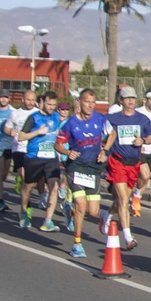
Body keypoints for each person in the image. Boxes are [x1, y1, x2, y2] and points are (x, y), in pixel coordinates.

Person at [55, 89, 110, 259]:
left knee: (93, 212)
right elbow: (57, 144)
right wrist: (67, 151)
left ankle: (69, 212)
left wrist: (105, 151)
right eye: (87, 102)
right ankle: (77, 244)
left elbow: (112, 133)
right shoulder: (70, 123)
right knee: (81, 204)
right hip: (76, 167)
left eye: (93, 102)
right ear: (80, 102)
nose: (90, 105)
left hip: (93, 168)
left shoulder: (100, 119)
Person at [101, 86, 151, 251]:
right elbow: (105, 139)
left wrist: (143, 141)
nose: (131, 100)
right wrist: (104, 152)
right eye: (127, 98)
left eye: (133, 98)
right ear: (121, 100)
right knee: (124, 200)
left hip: (134, 163)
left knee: (120, 201)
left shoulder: (143, 119)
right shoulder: (112, 119)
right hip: (117, 162)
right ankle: (128, 237)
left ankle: (107, 214)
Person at [18, 91, 64, 231]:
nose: (51, 107)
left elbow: (64, 134)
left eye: (54, 105)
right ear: (42, 103)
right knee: (28, 187)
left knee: (54, 187)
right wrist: (37, 132)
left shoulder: (57, 117)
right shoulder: (34, 118)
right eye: (49, 104)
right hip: (34, 157)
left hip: (51, 158)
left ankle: (48, 220)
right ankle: (24, 212)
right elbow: (21, 136)